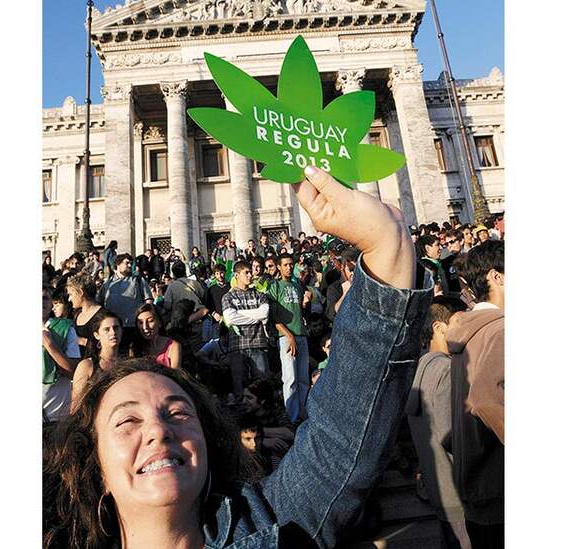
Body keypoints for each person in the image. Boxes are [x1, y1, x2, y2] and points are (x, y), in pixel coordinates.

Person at [44, 164, 430, 549]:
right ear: (94, 463)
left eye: (178, 412)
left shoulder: (270, 526)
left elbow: (342, 440)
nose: (158, 431)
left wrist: (385, 245)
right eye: (127, 420)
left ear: (210, 442)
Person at [447, 240, 505, 548]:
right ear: (497, 277)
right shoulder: (500, 330)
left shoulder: (469, 331)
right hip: (498, 486)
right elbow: (484, 400)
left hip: (476, 483)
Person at [406, 295, 471, 549]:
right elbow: (451, 435)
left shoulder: (422, 364)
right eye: (459, 321)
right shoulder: (445, 370)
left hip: (440, 487)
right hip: (458, 489)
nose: (465, 329)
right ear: (438, 327)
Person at [267, 253, 310, 423]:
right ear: (279, 266)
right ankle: (291, 419)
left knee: (303, 379)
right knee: (290, 378)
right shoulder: (275, 286)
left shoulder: (298, 286)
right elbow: (273, 318)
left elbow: (300, 311)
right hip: (286, 337)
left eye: (291, 264)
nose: (289, 267)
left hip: (302, 334)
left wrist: (305, 303)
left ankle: (303, 416)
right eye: (285, 265)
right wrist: (289, 335)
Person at [221, 260, 271, 401]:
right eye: (246, 272)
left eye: (251, 272)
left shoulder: (259, 294)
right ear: (237, 275)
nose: (250, 275)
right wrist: (256, 317)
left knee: (262, 388)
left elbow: (264, 314)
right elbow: (230, 319)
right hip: (237, 347)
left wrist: (240, 314)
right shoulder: (228, 296)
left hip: (258, 344)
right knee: (239, 389)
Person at [96, 253, 154, 353]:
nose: (130, 266)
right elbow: (99, 304)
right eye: (127, 263)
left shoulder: (138, 280)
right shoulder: (107, 284)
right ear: (118, 264)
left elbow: (148, 300)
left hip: (134, 327)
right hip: (115, 328)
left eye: (131, 263)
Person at [70, 312, 122, 412]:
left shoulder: (127, 363)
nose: (113, 332)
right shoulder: (87, 366)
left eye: (116, 328)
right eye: (107, 329)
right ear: (97, 335)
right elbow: (75, 407)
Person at [42, 287, 80, 423]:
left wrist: (49, 345)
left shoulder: (65, 328)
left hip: (55, 416)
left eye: (44, 298)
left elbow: (72, 372)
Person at [66, 273, 109, 359]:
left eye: (71, 294)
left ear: (81, 292)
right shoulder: (75, 314)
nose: (69, 299)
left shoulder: (104, 316)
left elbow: (108, 344)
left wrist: (81, 341)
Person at [133, 302, 181, 369]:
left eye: (150, 321)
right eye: (140, 323)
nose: (145, 327)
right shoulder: (134, 347)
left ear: (160, 323)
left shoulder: (173, 346)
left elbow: (175, 374)